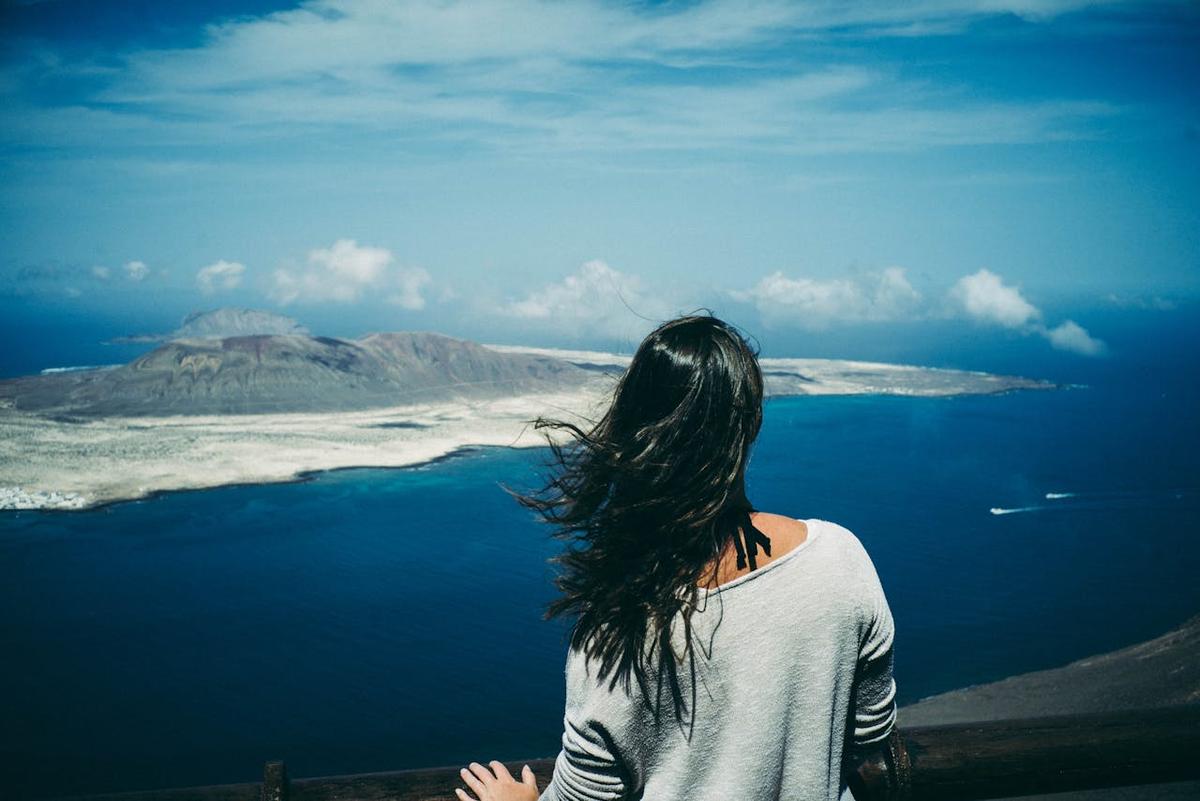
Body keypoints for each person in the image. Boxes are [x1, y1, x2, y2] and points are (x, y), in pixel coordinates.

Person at [455, 314, 898, 801]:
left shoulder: (616, 628)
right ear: (751, 423)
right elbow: (867, 736)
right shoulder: (839, 558)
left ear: (636, 427)